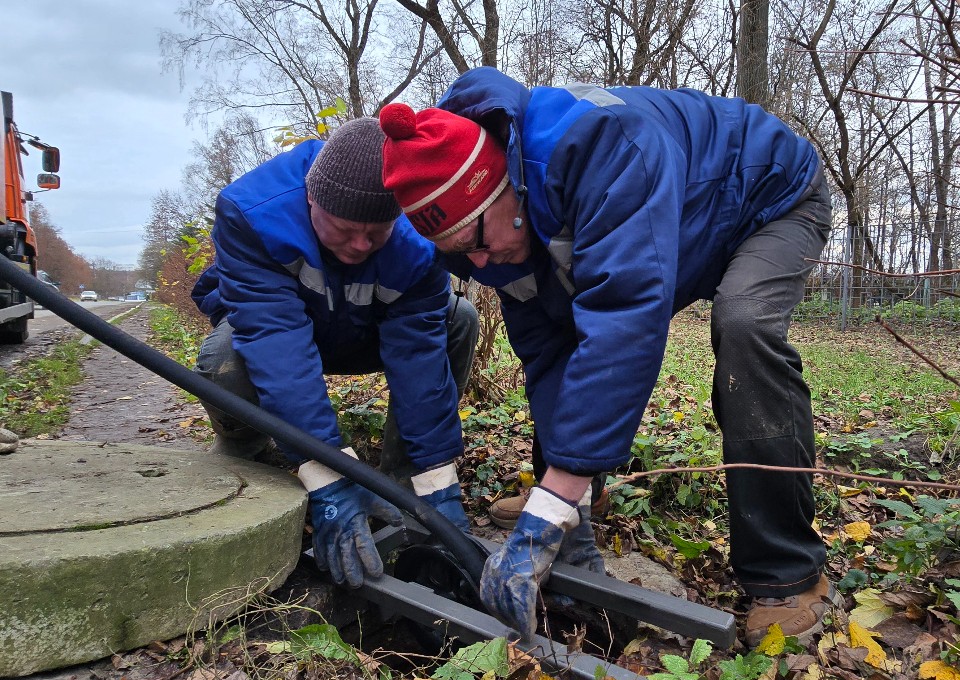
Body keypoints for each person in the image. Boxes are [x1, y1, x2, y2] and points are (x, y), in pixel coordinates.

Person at [378, 67, 835, 646]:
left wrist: (549, 509)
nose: (483, 265)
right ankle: (570, 491)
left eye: (478, 241)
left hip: (767, 198)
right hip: (682, 217)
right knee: (558, 338)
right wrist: (563, 506)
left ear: (501, 189)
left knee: (744, 324)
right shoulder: (493, 233)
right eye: (462, 255)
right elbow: (548, 352)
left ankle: (788, 572)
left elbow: (624, 321)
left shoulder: (605, 147)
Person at [191, 118, 479, 590]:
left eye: (376, 233)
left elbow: (419, 357)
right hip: (289, 333)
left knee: (459, 316)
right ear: (311, 200)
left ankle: (404, 481)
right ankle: (252, 454)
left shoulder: (418, 240)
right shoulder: (253, 214)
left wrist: (438, 477)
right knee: (225, 355)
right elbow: (274, 342)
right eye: (345, 230)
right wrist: (328, 472)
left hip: (366, 331)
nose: (361, 246)